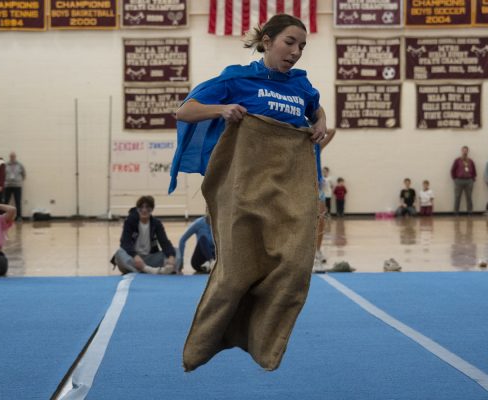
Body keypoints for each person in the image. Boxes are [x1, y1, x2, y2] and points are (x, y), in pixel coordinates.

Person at [172, 14, 328, 372]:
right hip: (244, 191)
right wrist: (222, 109)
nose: (296, 51)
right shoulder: (238, 79)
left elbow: (315, 106)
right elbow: (184, 111)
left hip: (288, 192)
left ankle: (263, 342)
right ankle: (205, 343)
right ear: (268, 40)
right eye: (290, 42)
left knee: (295, 267)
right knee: (236, 273)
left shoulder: (302, 87)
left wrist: (319, 120)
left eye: (302, 46)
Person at [110, 195, 176, 274]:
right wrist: (135, 256)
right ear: (138, 209)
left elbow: (165, 242)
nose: (144, 210)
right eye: (141, 207)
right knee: (119, 253)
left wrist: (171, 256)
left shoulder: (156, 223)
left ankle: (153, 270)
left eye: (147, 208)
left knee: (176, 251)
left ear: (151, 209)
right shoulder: (130, 221)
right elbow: (125, 243)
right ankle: (149, 270)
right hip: (133, 259)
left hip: (149, 259)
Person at [314, 129, 337, 272]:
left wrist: (319, 127)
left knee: (321, 219)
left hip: (318, 185)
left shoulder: (317, 145)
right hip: (301, 184)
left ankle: (317, 250)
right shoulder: (297, 143)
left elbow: (332, 131)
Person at [450, 146, 476, 215]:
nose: (465, 152)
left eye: (466, 150)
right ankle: (456, 212)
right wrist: (455, 179)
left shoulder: (470, 161)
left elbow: (474, 171)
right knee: (457, 196)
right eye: (463, 150)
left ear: (468, 151)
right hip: (459, 181)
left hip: (469, 181)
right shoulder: (457, 160)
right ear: (461, 151)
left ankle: (470, 211)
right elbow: (452, 170)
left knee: (469, 197)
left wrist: (472, 179)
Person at [4, 152, 26, 221]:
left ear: (15, 157)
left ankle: (19, 217)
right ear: (9, 157)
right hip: (8, 186)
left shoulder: (20, 165)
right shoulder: (6, 165)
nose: (12, 157)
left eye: (13, 156)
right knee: (6, 202)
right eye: (11, 156)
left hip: (17, 186)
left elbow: (24, 174)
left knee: (18, 201)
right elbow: (3, 175)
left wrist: (19, 181)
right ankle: (5, 216)